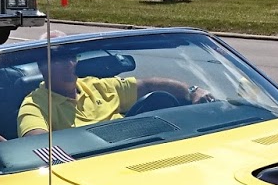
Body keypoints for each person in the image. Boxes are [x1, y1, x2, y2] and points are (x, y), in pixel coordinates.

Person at [16, 47, 211, 137]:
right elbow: (37, 144)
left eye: (72, 57)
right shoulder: (35, 104)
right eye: (59, 59)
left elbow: (149, 85)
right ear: (43, 66)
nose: (69, 64)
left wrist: (192, 91)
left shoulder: (97, 86)